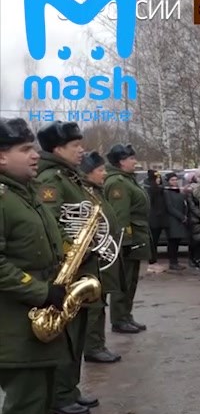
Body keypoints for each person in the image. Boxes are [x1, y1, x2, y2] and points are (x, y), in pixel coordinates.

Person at [0, 118, 74, 414]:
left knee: (41, 397)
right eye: (24, 150)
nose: (34, 155)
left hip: (39, 315)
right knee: (24, 401)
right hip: (14, 321)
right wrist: (41, 291)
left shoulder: (24, 193)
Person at [34, 121, 103, 414]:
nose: (81, 150)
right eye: (75, 146)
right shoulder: (52, 179)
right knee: (68, 334)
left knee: (79, 331)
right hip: (69, 269)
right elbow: (52, 225)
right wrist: (72, 254)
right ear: (58, 149)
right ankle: (60, 395)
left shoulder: (69, 177)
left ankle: (70, 388)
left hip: (82, 266)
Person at [77, 152, 123, 366]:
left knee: (100, 300)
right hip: (92, 257)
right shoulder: (85, 193)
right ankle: (93, 347)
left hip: (104, 255)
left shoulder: (96, 191)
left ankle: (97, 344)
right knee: (94, 304)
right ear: (88, 173)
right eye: (100, 170)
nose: (104, 173)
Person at [104, 143, 151, 333]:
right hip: (127, 240)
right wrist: (124, 242)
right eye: (131, 158)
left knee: (131, 281)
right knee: (124, 281)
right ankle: (119, 319)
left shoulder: (127, 180)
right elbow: (119, 215)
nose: (135, 162)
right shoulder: (118, 183)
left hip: (136, 236)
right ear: (122, 162)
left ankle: (126, 315)